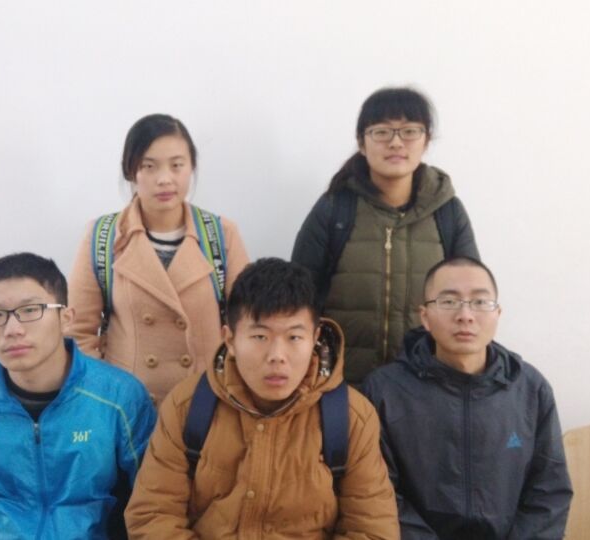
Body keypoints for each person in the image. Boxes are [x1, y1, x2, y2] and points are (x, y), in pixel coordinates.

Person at [124, 258, 399, 539]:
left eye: (294, 337)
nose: (277, 356)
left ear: (315, 337)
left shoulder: (350, 417)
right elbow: (153, 515)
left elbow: (372, 530)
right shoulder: (188, 405)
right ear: (230, 340)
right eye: (259, 336)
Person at [0, 253, 156, 539]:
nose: (12, 330)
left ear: (65, 318)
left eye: (30, 310)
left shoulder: (120, 398)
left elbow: (152, 507)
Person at [361, 257, 572, 539]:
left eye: (480, 302)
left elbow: (549, 492)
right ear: (425, 316)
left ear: (497, 313)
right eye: (449, 302)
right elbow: (378, 494)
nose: (466, 315)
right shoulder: (384, 390)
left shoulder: (530, 389)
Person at [292, 87, 479, 384]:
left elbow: (470, 298)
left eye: (409, 131)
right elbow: (297, 298)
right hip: (342, 386)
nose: (395, 142)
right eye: (381, 132)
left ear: (426, 140)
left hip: (427, 386)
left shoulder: (447, 212)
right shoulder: (335, 209)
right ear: (361, 142)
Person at [68, 114, 249, 405]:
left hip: (206, 404)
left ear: (191, 167)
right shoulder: (102, 236)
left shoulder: (220, 234)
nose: (165, 179)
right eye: (149, 166)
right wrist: (107, 396)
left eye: (177, 165)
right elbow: (78, 332)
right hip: (130, 407)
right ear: (131, 171)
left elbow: (247, 324)